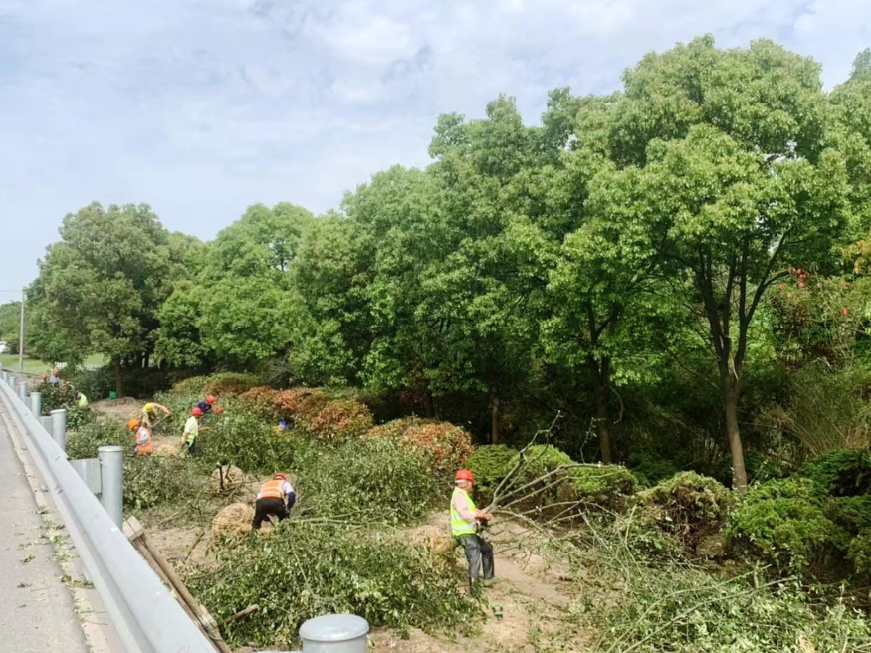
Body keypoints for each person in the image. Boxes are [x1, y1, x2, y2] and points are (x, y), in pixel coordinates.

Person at [451, 469, 495, 588]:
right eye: (471, 483)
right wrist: (480, 516)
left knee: (487, 548)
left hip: (469, 532)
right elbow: (465, 514)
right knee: (474, 554)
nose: (472, 486)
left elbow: (471, 510)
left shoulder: (463, 496)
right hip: (463, 533)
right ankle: (474, 589)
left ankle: (488, 579)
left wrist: (482, 513)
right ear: (466, 483)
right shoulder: (459, 496)